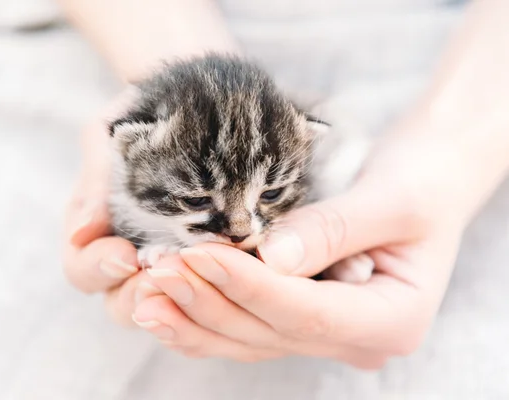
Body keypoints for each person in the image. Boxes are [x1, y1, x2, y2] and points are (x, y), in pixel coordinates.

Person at [59, 0, 509, 369]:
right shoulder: (144, 152)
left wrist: (450, 159)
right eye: (199, 199)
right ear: (130, 151)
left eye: (269, 196)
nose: (239, 228)